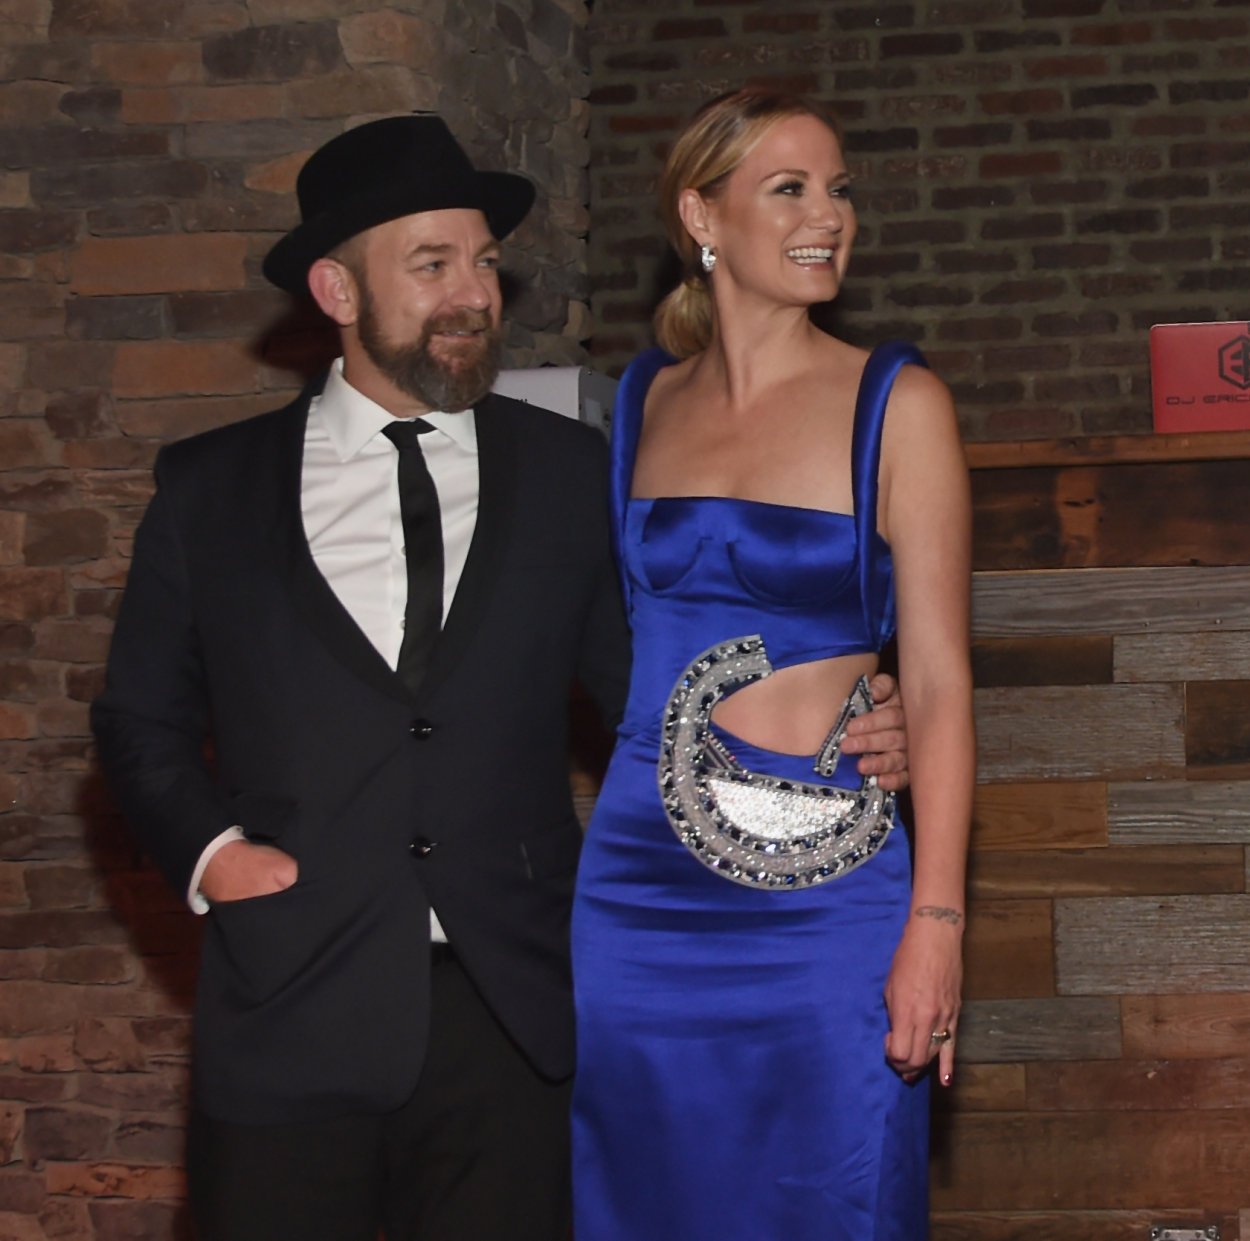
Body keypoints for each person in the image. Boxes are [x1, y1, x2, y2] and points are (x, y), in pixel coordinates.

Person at [90, 114, 911, 1241]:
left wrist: (835, 723)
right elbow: (138, 714)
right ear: (337, 289)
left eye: (481, 261)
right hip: (290, 1001)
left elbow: (655, 695)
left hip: (518, 1014)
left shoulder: (573, 473)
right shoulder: (209, 490)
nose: (473, 294)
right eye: (431, 266)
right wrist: (212, 855)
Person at [571, 85, 974, 1240]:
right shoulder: (643, 399)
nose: (828, 214)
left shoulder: (899, 402)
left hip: (829, 894)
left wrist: (937, 918)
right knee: (643, 1196)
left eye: (838, 187)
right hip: (638, 884)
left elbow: (940, 679)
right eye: (788, 187)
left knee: (832, 1195)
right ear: (702, 215)